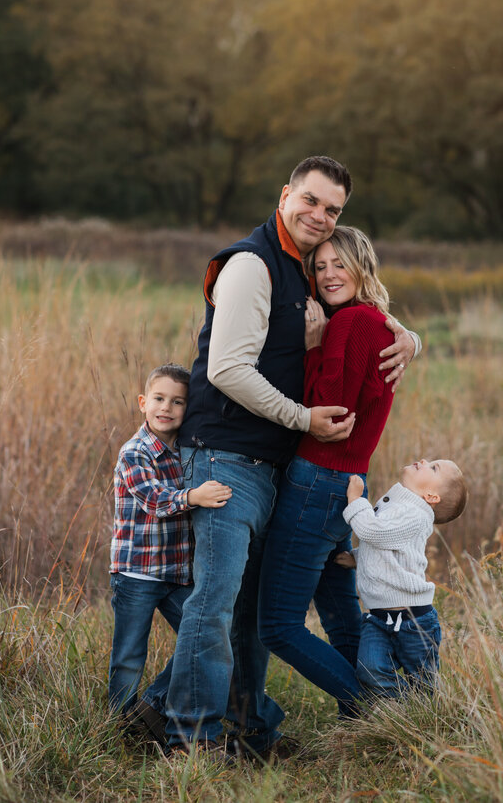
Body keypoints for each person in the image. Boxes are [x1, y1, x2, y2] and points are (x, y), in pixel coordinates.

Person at [164, 155, 419, 760]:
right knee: (218, 600)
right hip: (224, 456)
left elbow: (357, 302)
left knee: (251, 612)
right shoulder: (253, 265)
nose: (320, 217)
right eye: (311, 201)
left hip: (275, 468)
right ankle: (189, 740)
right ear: (285, 195)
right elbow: (226, 370)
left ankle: (251, 734)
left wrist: (409, 335)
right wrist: (304, 419)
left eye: (333, 211)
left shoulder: (306, 267)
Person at [257, 225, 397, 718]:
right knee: (340, 616)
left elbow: (325, 412)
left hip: (317, 480)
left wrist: (315, 343)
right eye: (320, 267)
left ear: (362, 266)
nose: (330, 274)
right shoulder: (378, 322)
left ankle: (376, 705)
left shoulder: (347, 325)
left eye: (340, 264)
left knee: (276, 624)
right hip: (347, 483)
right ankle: (364, 722)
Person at [107, 364, 232, 735]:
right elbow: (154, 500)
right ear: (144, 403)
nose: (167, 408)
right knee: (129, 656)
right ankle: (120, 727)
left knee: (202, 636)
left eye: (178, 402)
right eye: (159, 399)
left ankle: (152, 705)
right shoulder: (135, 452)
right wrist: (194, 496)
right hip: (137, 572)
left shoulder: (190, 451)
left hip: (178, 572)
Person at [341, 458, 467, 699]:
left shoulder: (416, 515)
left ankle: (428, 713)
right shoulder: (398, 505)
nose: (424, 460)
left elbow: (374, 532)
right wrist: (358, 558)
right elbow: (389, 549)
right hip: (378, 619)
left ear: (431, 496)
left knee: (424, 681)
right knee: (369, 670)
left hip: (414, 620)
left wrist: (356, 501)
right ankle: (406, 708)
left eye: (433, 467)